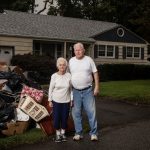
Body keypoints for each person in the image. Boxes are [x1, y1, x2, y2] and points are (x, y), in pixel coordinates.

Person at [69, 42, 99, 141]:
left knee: (91, 112)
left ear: (83, 50)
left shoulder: (89, 60)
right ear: (74, 51)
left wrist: (97, 87)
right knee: (76, 113)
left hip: (88, 90)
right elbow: (68, 76)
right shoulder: (71, 61)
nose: (78, 51)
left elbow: (95, 73)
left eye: (79, 49)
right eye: (76, 50)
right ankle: (78, 133)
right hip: (75, 91)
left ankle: (93, 133)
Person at [48, 57, 72, 142]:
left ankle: (63, 133)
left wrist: (71, 100)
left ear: (66, 66)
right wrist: (50, 100)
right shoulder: (54, 76)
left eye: (64, 65)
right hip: (56, 101)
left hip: (66, 101)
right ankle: (58, 134)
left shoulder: (69, 75)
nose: (62, 66)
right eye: (60, 65)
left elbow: (71, 89)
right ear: (57, 66)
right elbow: (50, 88)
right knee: (57, 118)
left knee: (65, 118)